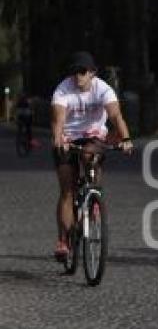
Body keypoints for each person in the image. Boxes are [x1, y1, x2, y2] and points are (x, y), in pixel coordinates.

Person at [51, 51, 133, 259]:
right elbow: (58, 121)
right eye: (74, 72)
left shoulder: (103, 89)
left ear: (93, 73)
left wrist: (125, 139)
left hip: (93, 135)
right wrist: (58, 139)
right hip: (69, 137)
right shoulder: (62, 89)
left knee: (90, 155)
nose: (77, 76)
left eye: (82, 71)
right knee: (67, 191)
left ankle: (94, 194)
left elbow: (115, 116)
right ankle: (63, 241)